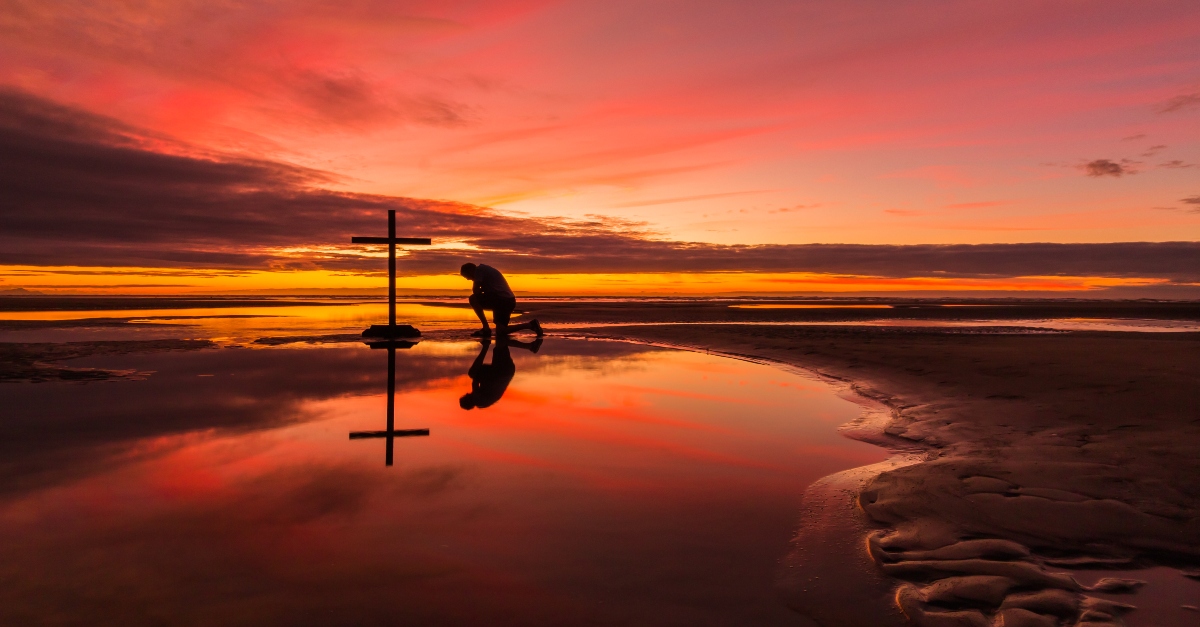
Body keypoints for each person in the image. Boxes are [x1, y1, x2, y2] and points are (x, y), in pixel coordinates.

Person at [460, 262, 543, 337]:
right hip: (504, 300)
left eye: (467, 276)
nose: (468, 279)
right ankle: (530, 325)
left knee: (473, 299)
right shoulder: (484, 270)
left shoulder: (479, 270)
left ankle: (486, 328)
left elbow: (476, 291)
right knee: (501, 332)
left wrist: (480, 289)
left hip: (503, 301)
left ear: (470, 270)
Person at [459, 336, 542, 410]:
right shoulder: (477, 400)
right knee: (473, 373)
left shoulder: (482, 404)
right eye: (466, 396)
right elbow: (475, 381)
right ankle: (486, 346)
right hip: (501, 373)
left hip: (506, 372)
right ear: (468, 400)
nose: (467, 393)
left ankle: (529, 346)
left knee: (501, 344)